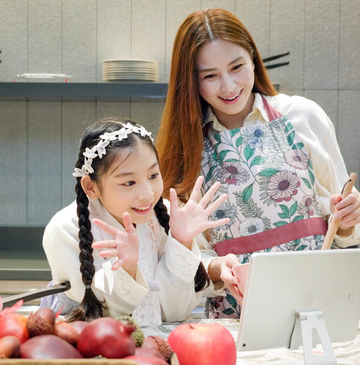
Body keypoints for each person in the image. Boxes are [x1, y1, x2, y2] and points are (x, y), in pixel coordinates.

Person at [156, 8, 360, 319]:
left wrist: (348, 218)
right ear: (191, 82)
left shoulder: (303, 117)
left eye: (237, 67)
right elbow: (184, 254)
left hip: (322, 305)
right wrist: (217, 267)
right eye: (210, 75)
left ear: (254, 60)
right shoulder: (184, 150)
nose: (229, 86)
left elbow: (342, 225)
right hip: (239, 317)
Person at [42, 118, 229, 325]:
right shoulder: (65, 229)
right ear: (90, 187)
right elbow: (101, 319)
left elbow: (173, 312)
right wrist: (128, 268)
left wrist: (182, 241)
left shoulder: (165, 214)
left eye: (153, 175)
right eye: (129, 182)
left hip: (157, 341)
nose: (147, 194)